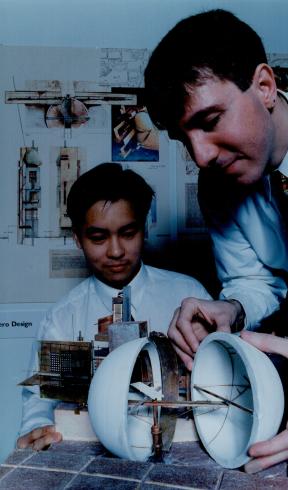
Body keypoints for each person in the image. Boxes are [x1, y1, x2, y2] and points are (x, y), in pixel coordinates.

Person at [144, 8, 288, 472]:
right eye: (183, 138)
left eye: (209, 120)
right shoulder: (219, 184)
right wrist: (232, 308)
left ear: (264, 86)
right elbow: (254, 281)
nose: (201, 155)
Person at [17, 162, 211, 451]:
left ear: (144, 229)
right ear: (78, 240)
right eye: (98, 238)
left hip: (179, 443)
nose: (116, 251)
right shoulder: (61, 318)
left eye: (128, 233)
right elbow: (39, 398)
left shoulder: (189, 294)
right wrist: (35, 429)